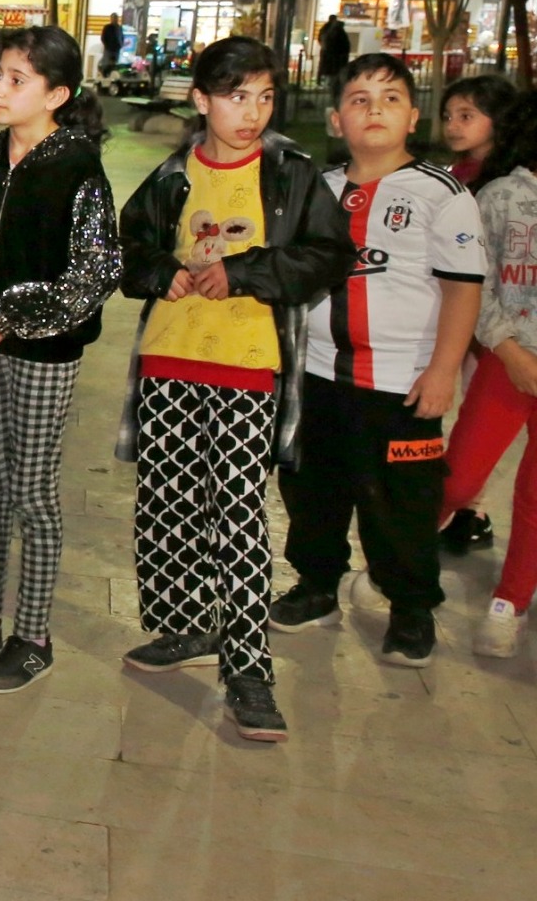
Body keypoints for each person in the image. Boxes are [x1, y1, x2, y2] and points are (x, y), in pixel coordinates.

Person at [114, 37, 353, 742]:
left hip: (248, 366)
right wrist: (164, 272)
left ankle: (249, 667)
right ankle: (184, 625)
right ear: (201, 100)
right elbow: (127, 252)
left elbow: (326, 254)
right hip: (170, 362)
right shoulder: (170, 175)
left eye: (264, 96)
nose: (251, 112)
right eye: (236, 96)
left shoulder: (290, 173)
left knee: (239, 515)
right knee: (168, 502)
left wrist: (246, 273)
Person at [269, 54, 486, 668]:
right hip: (316, 376)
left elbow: (463, 290)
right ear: (337, 119)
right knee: (313, 491)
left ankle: (411, 608)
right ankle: (316, 587)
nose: (374, 109)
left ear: (413, 116)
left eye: (389, 98)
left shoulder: (442, 194)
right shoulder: (320, 189)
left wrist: (442, 372)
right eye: (359, 99)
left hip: (401, 384)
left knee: (402, 502)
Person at [0, 26, 121, 692]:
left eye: (17, 80)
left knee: (33, 493)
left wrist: (2, 318)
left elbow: (92, 274)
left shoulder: (77, 170)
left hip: (43, 355)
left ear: (57, 94)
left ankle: (31, 635)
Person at [438, 89, 537, 655]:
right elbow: (479, 283)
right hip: (507, 361)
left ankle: (511, 600)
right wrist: (509, 350)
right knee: (459, 477)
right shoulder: (501, 196)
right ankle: (395, 565)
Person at [439, 72, 515, 189]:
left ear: (500, 116)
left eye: (465, 117)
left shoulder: (513, 180)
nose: (450, 126)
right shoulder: (458, 173)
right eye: (447, 117)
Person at [317, 15, 352, 101]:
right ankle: (332, 86)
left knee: (328, 70)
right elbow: (346, 45)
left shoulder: (326, 29)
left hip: (329, 55)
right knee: (335, 72)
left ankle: (324, 84)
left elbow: (321, 39)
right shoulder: (339, 32)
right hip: (337, 57)